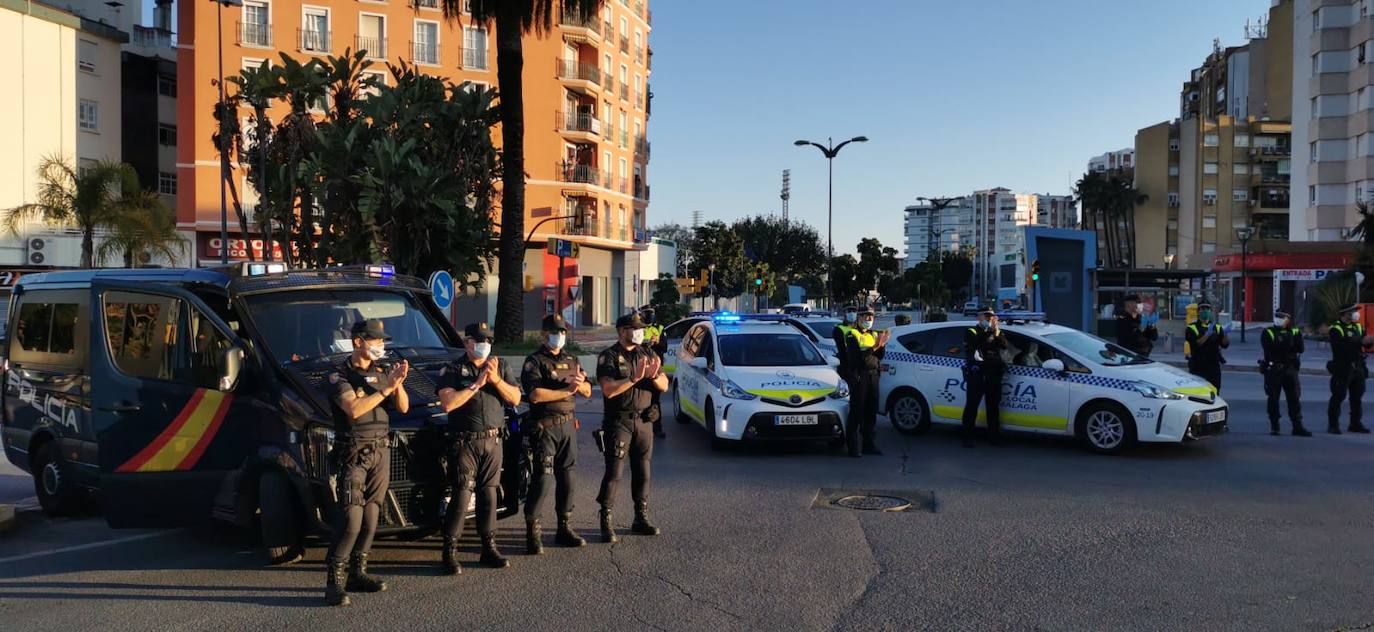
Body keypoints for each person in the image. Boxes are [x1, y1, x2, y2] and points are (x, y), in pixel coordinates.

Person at [324, 319, 409, 607]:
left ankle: (358, 573)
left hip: (380, 451)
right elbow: (355, 409)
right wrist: (385, 389)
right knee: (351, 520)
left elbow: (403, 407)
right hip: (353, 453)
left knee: (372, 519)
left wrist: (396, 385)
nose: (380, 346)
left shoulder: (381, 371)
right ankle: (334, 581)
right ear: (358, 342)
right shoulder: (340, 375)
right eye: (375, 341)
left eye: (383, 341)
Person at [436, 322, 522, 574]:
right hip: (465, 441)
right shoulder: (453, 368)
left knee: (489, 494)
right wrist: (476, 384)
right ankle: (449, 551)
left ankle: (489, 547)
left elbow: (515, 398)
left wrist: (495, 380)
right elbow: (448, 404)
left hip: (493, 440)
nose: (485, 345)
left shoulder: (500, 366)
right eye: (479, 340)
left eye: (488, 340)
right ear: (467, 342)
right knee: (462, 494)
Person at [520, 314, 591, 554]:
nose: (559, 336)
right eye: (554, 332)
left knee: (568, 479)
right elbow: (536, 395)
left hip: (568, 426)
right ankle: (533, 532)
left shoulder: (571, 359)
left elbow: (588, 391)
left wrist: (579, 385)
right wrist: (568, 390)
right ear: (543, 334)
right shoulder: (535, 361)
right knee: (543, 479)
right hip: (545, 427)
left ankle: (564, 527)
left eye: (562, 332)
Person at [596, 312, 669, 543]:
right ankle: (606, 520)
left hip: (645, 421)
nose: (639, 332)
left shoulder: (647, 353)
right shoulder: (609, 356)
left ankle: (640, 517)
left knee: (643, 471)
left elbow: (664, 385)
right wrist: (633, 379)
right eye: (634, 328)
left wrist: (655, 375)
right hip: (620, 421)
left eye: (641, 328)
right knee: (615, 472)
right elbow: (608, 389)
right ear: (621, 331)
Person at [840, 307, 888, 457]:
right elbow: (857, 359)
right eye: (865, 317)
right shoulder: (851, 335)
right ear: (859, 318)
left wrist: (882, 344)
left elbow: (878, 356)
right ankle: (853, 447)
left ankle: (868, 444)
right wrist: (874, 347)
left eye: (871, 318)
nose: (868, 320)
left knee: (871, 412)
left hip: (874, 376)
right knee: (857, 411)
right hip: (860, 376)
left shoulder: (873, 334)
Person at [962, 308, 1008, 448]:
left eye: (991, 317)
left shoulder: (996, 332)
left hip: (992, 373)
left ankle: (993, 437)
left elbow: (1004, 345)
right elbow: (975, 344)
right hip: (977, 374)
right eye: (986, 316)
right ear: (978, 317)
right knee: (972, 406)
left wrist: (996, 331)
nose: (989, 319)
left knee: (993, 407)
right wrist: (989, 331)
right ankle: (968, 437)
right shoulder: (971, 331)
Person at [1260, 311, 1310, 437]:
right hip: (1274, 370)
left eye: (1282, 317)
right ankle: (1275, 426)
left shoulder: (1294, 331)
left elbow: (1300, 348)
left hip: (1290, 370)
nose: (1279, 319)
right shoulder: (1268, 332)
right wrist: (1288, 345)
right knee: (1273, 399)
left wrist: (1283, 345)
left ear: (1288, 319)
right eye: (1277, 316)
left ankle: (1297, 426)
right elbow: (1269, 348)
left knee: (1294, 398)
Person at [1327, 304, 1371, 434]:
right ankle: (1333, 425)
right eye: (1353, 311)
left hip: (1358, 366)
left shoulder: (1357, 326)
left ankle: (1355, 423)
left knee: (1357, 396)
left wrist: (1369, 341)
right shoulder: (1336, 328)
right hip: (1343, 367)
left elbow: (1364, 343)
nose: (1356, 313)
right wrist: (1361, 342)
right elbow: (1342, 347)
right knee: (1338, 396)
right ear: (1344, 314)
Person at [1185, 302, 1229, 390]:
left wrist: (1225, 334)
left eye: (1207, 309)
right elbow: (1197, 344)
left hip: (1213, 367)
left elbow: (1224, 345)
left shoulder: (1216, 327)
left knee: (1215, 392)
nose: (1205, 311)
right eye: (1202, 309)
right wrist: (1208, 334)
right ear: (1198, 312)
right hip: (1198, 366)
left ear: (1210, 311)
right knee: (1199, 393)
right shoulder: (1191, 328)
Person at [640, 308, 668, 439]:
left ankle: (658, 428)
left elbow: (665, 347)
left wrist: (657, 342)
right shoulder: (638, 328)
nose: (649, 317)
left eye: (650, 314)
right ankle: (641, 425)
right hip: (641, 368)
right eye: (646, 314)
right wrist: (647, 344)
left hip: (656, 369)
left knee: (655, 401)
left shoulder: (660, 328)